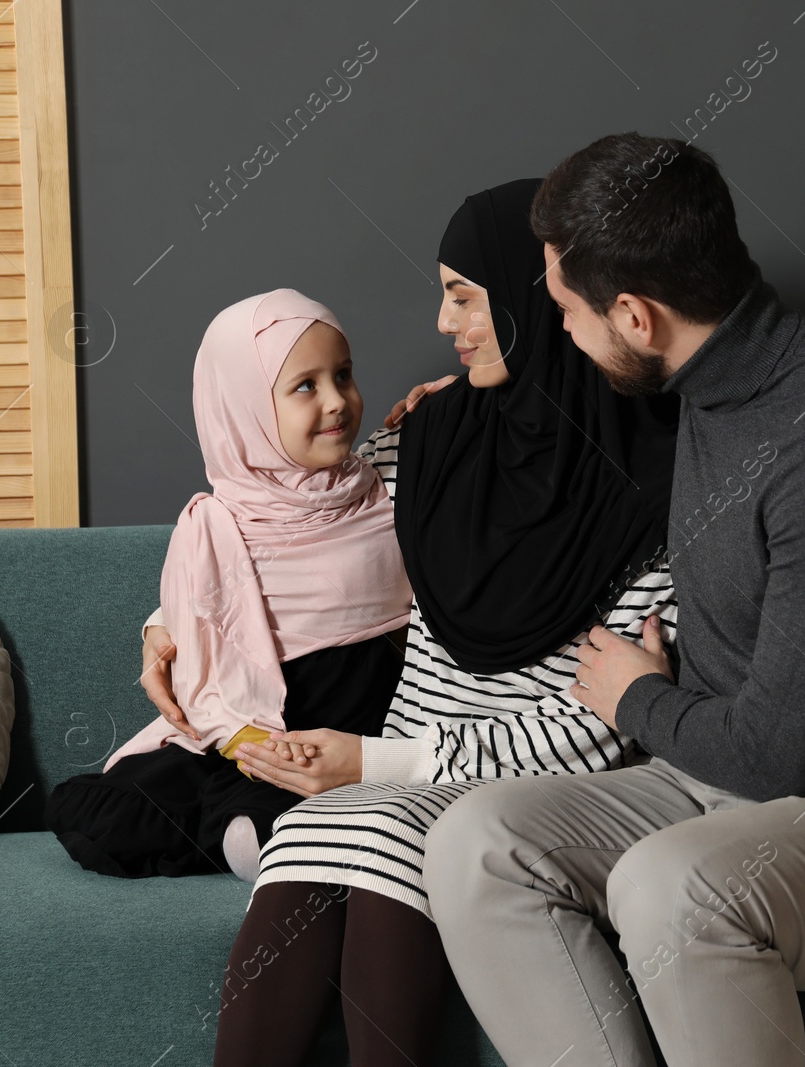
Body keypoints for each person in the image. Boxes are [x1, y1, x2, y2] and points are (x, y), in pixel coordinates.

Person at [421, 134, 805, 1067]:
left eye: (568, 311)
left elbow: (780, 757)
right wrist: (454, 416)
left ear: (636, 315)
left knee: (671, 886)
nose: (561, 332)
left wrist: (636, 699)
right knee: (474, 843)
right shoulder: (703, 371)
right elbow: (564, 433)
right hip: (718, 782)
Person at [135, 179, 682, 1067]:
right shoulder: (428, 443)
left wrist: (374, 762)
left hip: (520, 786)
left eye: (464, 294)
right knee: (322, 828)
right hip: (396, 769)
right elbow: (285, 513)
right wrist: (167, 621)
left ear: (534, 298)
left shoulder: (653, 489)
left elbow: (601, 735)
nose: (440, 320)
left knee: (381, 825)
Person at [44, 289, 411, 880]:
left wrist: (447, 400)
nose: (338, 401)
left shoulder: (386, 483)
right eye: (305, 386)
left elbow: (468, 433)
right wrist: (168, 630)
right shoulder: (217, 522)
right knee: (114, 803)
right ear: (243, 408)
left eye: (343, 375)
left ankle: (263, 831)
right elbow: (208, 620)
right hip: (253, 716)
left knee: (303, 791)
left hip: (362, 712)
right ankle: (238, 826)